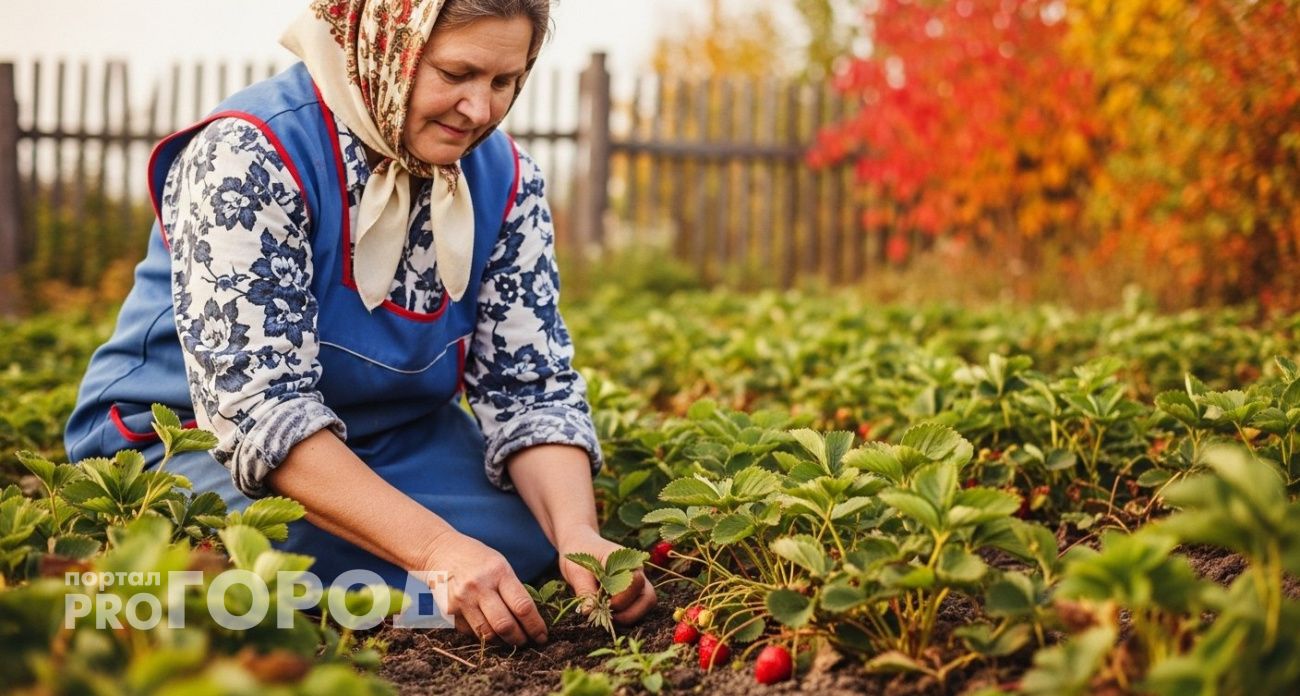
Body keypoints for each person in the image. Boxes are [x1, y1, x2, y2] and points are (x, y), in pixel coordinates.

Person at [63, 0, 655, 646]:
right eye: (456, 73)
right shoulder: (250, 153)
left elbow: (529, 386)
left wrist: (577, 535)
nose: (480, 110)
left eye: (503, 82)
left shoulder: (508, 179)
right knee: (296, 550)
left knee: (527, 546)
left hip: (391, 439)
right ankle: (187, 589)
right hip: (194, 444)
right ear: (385, 46)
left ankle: (326, 592)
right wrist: (436, 548)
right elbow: (260, 412)